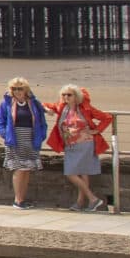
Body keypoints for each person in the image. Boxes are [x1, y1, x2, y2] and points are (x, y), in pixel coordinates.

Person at [48, 83, 114, 211]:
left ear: (76, 96)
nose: (66, 97)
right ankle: (83, 202)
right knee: (80, 173)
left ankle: (91, 199)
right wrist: (47, 109)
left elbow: (107, 117)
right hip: (70, 145)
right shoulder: (62, 108)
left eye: (69, 95)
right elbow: (47, 105)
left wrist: (96, 131)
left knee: (72, 173)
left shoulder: (86, 109)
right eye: (64, 95)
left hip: (85, 144)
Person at [0, 78, 48, 209]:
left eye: (20, 88)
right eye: (14, 89)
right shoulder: (6, 103)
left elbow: (42, 120)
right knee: (18, 169)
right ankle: (17, 200)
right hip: (14, 139)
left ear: (26, 90)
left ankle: (22, 199)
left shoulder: (33, 103)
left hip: (31, 139)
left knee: (27, 169)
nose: (17, 91)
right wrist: (6, 135)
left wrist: (41, 136)